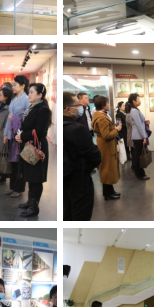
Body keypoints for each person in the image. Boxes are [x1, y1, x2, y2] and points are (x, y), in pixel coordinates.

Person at [13, 83, 51, 216]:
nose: (29, 95)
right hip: (29, 144)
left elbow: (40, 131)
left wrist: (23, 136)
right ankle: (30, 201)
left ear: (40, 95)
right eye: (29, 92)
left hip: (37, 146)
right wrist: (20, 135)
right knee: (30, 175)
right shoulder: (32, 107)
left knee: (36, 177)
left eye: (32, 92)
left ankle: (34, 207)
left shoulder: (43, 110)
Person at [63, 92, 102, 221]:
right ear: (68, 109)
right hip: (79, 179)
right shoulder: (76, 129)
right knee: (81, 213)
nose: (80, 107)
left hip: (65, 176)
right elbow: (94, 156)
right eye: (77, 105)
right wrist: (87, 168)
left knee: (68, 211)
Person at [4, 75, 30, 198]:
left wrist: (14, 119)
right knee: (13, 162)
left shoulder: (26, 99)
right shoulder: (14, 98)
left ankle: (19, 188)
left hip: (20, 134)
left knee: (19, 163)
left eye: (15, 84)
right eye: (13, 84)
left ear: (23, 85)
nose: (13, 87)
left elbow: (27, 118)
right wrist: (6, 134)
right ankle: (13, 186)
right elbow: (9, 117)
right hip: (12, 133)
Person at [92, 95, 122, 201]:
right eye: (107, 103)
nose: (109, 105)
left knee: (108, 169)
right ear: (103, 105)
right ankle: (107, 194)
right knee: (106, 169)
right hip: (106, 146)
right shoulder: (101, 118)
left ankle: (110, 191)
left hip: (106, 146)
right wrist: (117, 129)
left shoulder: (101, 115)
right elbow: (106, 135)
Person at [126, 93, 149, 180]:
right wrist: (144, 136)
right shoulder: (134, 111)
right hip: (138, 136)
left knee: (137, 154)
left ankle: (138, 172)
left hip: (138, 135)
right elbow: (139, 125)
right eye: (138, 99)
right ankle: (139, 174)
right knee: (138, 155)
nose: (140, 101)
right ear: (134, 101)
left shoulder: (135, 110)